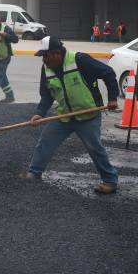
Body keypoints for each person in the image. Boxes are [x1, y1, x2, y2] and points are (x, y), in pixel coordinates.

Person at [25, 36, 121, 194]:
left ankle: (110, 180)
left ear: (56, 53)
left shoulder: (80, 60)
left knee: (94, 147)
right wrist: (39, 113)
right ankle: (34, 173)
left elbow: (108, 73)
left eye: (45, 55)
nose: (43, 59)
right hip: (64, 115)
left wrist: (112, 98)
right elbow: (47, 95)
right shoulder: (47, 68)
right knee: (46, 141)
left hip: (87, 114)